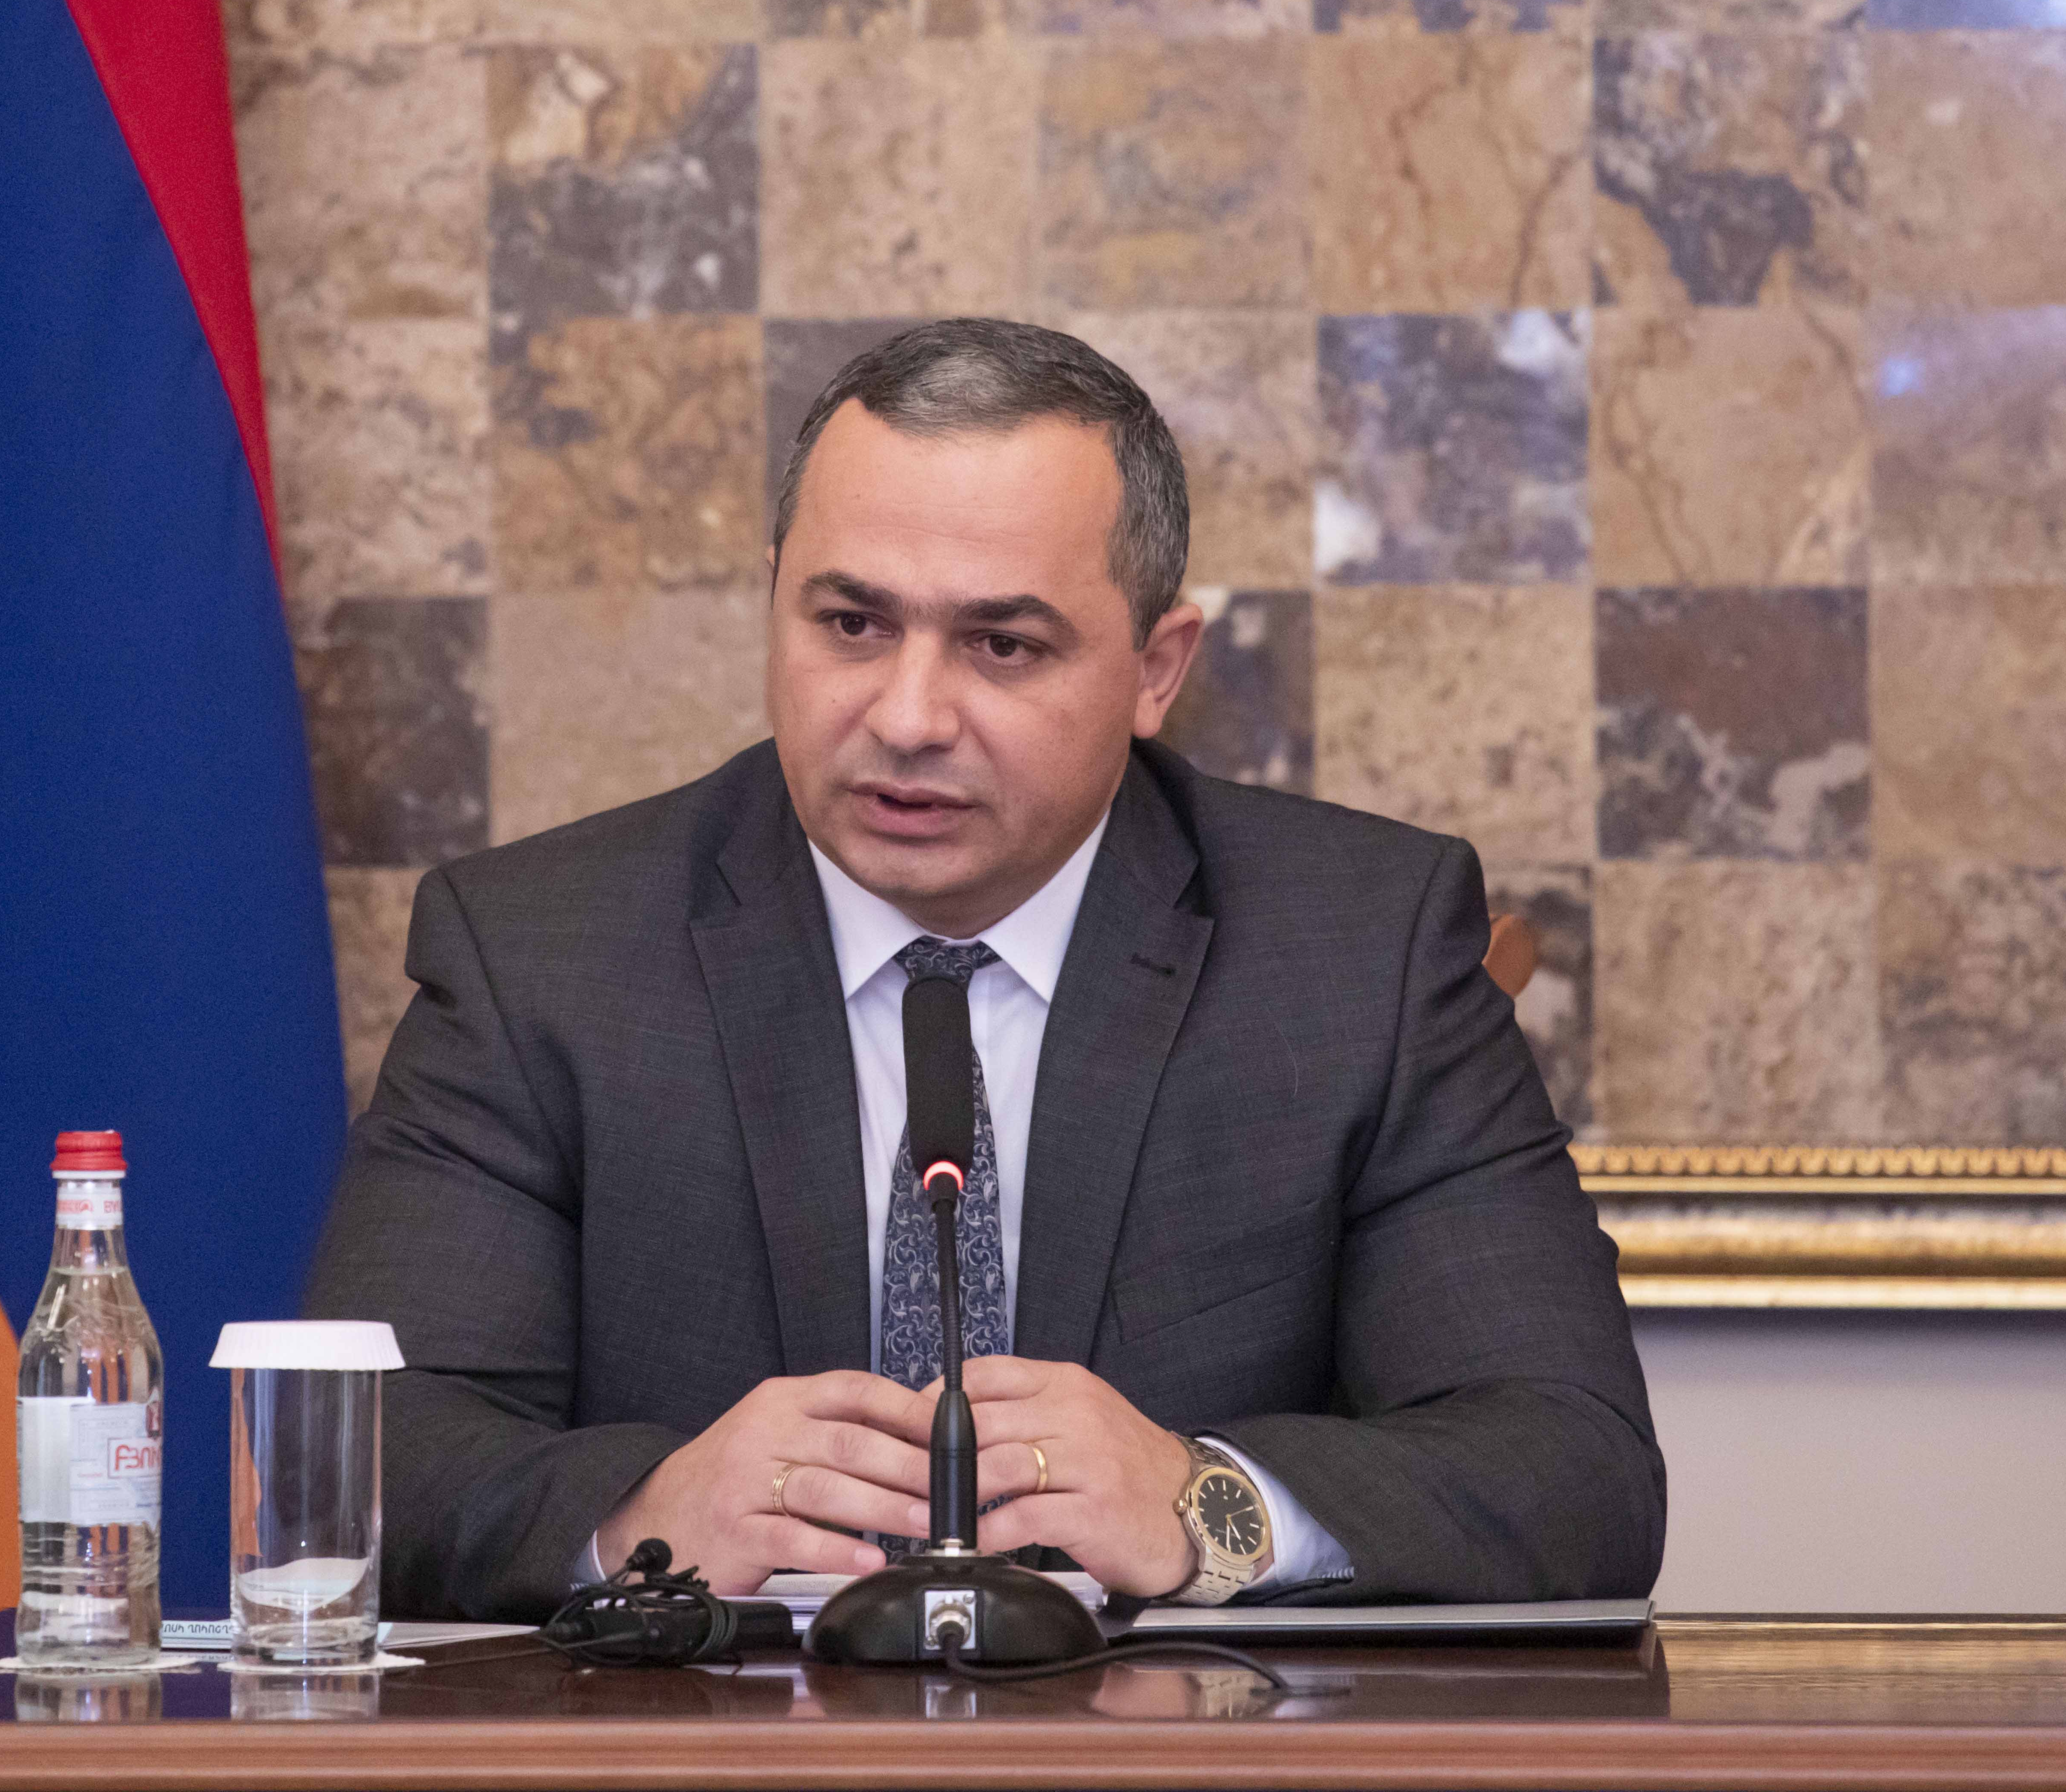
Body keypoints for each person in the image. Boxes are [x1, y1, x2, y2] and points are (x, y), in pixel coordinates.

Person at [305, 318, 1662, 1621]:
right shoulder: (541, 956)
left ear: (1156, 669)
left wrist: (1205, 1505)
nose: (908, 717)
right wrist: (642, 1520)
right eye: (851, 624)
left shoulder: (1363, 954)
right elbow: (365, 1456)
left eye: (1002, 646)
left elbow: (1573, 1469)